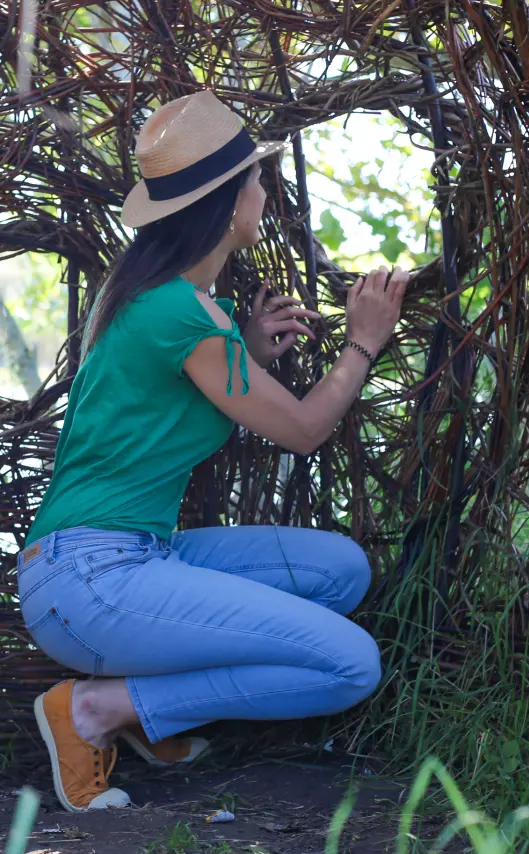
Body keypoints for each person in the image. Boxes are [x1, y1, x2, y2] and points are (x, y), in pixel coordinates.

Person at [17, 90, 410, 813]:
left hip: (128, 555)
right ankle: (94, 711)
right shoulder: (178, 313)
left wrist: (250, 348)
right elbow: (301, 429)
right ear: (231, 204)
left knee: (340, 571)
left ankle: (141, 710)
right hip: (90, 579)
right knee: (352, 665)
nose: (266, 189)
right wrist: (364, 340)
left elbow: (178, 393)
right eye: (258, 179)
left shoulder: (168, 302)